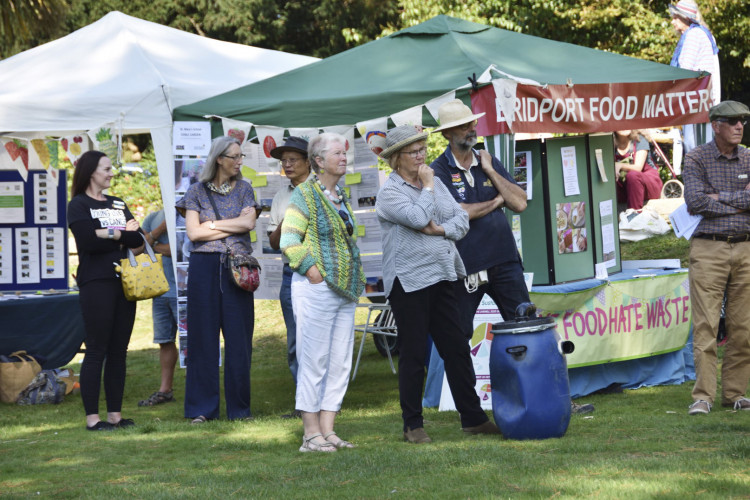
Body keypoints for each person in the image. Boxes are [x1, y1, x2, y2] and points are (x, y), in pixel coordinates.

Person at [431, 99, 594, 415]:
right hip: (464, 267)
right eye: (464, 126)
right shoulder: (437, 170)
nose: (472, 129)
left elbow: (519, 202)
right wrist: (495, 202)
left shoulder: (487, 160)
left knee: (531, 328)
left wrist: (491, 170)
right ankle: (471, 412)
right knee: (457, 338)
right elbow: (458, 214)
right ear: (448, 133)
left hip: (504, 260)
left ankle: (556, 400)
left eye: (472, 123)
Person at [376, 124, 500, 443]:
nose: (420, 156)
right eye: (413, 151)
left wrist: (441, 230)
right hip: (410, 280)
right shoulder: (390, 193)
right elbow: (418, 218)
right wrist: (429, 190)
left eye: (422, 149)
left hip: (444, 274)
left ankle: (472, 418)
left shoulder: (433, 182)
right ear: (396, 158)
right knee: (414, 353)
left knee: (457, 348)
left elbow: (459, 220)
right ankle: (412, 425)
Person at [280, 132, 365, 452]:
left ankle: (328, 431)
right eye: (338, 153)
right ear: (319, 161)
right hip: (316, 289)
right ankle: (310, 434)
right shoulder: (305, 194)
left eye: (345, 153)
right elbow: (289, 241)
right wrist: (313, 272)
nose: (344, 157)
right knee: (313, 360)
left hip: (343, 291)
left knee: (340, 362)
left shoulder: (339, 195)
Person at [176, 136, 257, 423]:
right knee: (202, 339)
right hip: (204, 268)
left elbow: (248, 223)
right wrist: (228, 226)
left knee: (239, 341)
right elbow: (194, 235)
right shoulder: (196, 191)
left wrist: (210, 224)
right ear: (219, 159)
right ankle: (201, 409)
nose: (239, 161)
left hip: (237, 269)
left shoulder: (246, 190)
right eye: (234, 156)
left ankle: (240, 410)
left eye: (241, 156)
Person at [67, 150, 144, 431]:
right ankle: (92, 419)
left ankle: (115, 416)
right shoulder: (78, 205)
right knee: (97, 349)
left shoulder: (117, 202)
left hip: (125, 281)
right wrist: (121, 233)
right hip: (96, 282)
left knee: (119, 350)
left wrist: (110, 233)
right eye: (107, 169)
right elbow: (88, 242)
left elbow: (139, 238)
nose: (112, 173)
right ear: (91, 172)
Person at [682, 100, 750, 415]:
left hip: (745, 247)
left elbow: (711, 200)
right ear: (716, 125)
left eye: (743, 122)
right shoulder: (697, 157)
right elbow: (695, 202)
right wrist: (741, 201)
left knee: (743, 327)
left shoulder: (749, 156)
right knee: (706, 325)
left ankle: (735, 394)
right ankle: (703, 397)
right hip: (708, 248)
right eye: (733, 121)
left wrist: (719, 197)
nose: (740, 126)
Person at [267, 137, 312, 419]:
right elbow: (273, 242)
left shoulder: (322, 190)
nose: (287, 164)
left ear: (309, 161)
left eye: (293, 159)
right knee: (295, 341)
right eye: (283, 160)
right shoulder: (280, 197)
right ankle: (303, 404)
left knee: (322, 338)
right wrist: (289, 220)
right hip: (290, 272)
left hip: (322, 272)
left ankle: (327, 400)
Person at [138, 209, 178, 407]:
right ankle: (165, 390)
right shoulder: (154, 217)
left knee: (192, 341)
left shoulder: (187, 213)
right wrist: (160, 229)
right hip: (159, 291)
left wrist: (153, 245)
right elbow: (138, 247)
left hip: (183, 291)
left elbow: (180, 249)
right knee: (165, 340)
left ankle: (199, 387)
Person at [668, 0, 721, 153]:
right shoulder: (702, 33)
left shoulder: (693, 36)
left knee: (695, 149)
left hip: (697, 103)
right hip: (704, 101)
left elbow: (684, 72)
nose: (673, 22)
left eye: (675, 17)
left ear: (685, 18)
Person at [614, 130, 664, 210]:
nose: (625, 127)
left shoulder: (639, 139)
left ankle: (634, 215)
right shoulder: (609, 143)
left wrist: (620, 165)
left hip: (648, 185)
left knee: (633, 175)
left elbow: (638, 167)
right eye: (621, 123)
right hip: (625, 188)